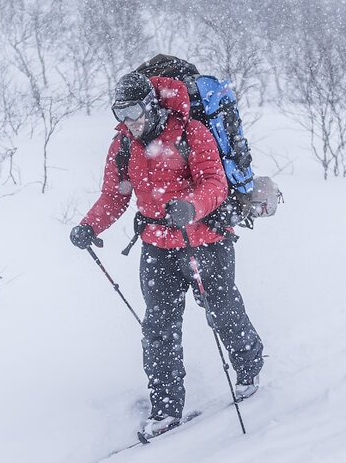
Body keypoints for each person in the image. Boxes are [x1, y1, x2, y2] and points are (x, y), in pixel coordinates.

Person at [70, 69, 264, 438]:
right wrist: (90, 225)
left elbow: (214, 184)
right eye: (119, 113)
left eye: (133, 112)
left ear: (150, 105)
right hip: (157, 247)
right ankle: (165, 408)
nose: (128, 122)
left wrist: (190, 206)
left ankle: (249, 367)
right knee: (158, 328)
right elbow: (115, 195)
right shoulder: (124, 145)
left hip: (205, 241)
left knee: (222, 310)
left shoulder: (191, 132)